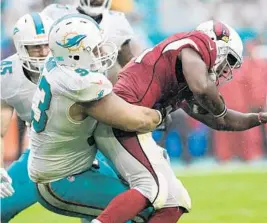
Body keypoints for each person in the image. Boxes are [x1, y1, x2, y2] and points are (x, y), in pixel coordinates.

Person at [92, 20, 267, 223]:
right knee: (151, 187)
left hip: (130, 123)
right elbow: (204, 90)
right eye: (227, 58)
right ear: (214, 42)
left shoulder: (182, 73)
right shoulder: (193, 44)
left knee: (175, 201)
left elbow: (222, 121)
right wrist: (218, 104)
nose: (225, 68)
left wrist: (258, 118)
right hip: (122, 118)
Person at [29, 14, 163, 222]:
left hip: (72, 167)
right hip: (60, 180)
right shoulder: (79, 82)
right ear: (75, 55)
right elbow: (137, 120)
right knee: (147, 208)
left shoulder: (58, 63)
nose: (101, 52)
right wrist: (162, 111)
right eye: (94, 49)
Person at [0, 13, 53, 222]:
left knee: (113, 210)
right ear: (21, 47)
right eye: (35, 47)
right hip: (41, 154)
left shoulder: (71, 65)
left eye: (46, 45)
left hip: (84, 152)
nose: (42, 53)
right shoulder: (7, 75)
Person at [42, 0, 136, 84]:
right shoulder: (56, 13)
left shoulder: (116, 21)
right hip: (61, 80)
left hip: (95, 84)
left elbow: (128, 63)